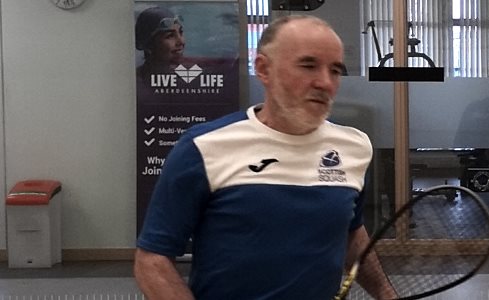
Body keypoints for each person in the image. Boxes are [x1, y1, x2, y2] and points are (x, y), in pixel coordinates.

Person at [134, 15, 397, 299]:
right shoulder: (202, 147)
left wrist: (385, 293)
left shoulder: (354, 147)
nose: (325, 82)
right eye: (308, 65)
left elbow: (350, 232)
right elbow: (152, 261)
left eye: (335, 70)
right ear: (263, 69)